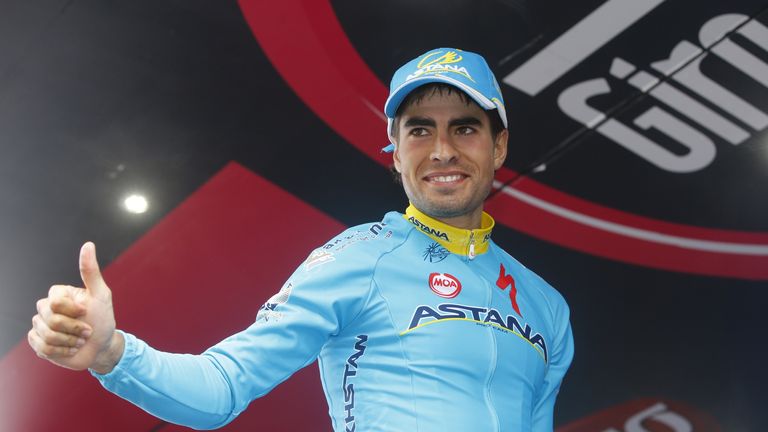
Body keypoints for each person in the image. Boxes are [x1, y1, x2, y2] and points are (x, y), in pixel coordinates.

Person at [28, 48, 574, 431]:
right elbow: (221, 388)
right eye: (419, 128)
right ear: (395, 149)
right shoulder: (359, 257)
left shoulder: (546, 307)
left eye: (465, 127)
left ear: (498, 147)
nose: (442, 150)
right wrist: (111, 353)